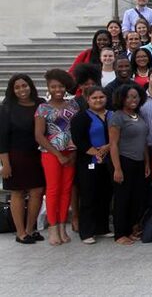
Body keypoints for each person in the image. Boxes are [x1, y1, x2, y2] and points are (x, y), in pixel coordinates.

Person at [34, 69, 80, 245]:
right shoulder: (43, 108)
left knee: (67, 190)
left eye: (60, 86)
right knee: (53, 190)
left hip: (71, 152)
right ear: (48, 88)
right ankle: (53, 229)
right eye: (53, 87)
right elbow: (39, 135)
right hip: (51, 153)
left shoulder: (73, 106)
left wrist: (74, 152)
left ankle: (62, 226)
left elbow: (76, 131)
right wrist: (57, 155)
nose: (57, 89)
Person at [0, 74, 46, 244]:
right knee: (17, 192)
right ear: (12, 90)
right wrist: (5, 165)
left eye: (24, 86)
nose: (22, 90)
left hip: (37, 155)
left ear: (31, 86)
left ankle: (30, 229)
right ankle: (20, 233)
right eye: (17, 87)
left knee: (37, 191)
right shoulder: (6, 108)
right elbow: (2, 139)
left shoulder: (41, 103)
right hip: (16, 156)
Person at [69, 86, 113, 244]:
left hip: (109, 161)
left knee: (105, 195)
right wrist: (96, 153)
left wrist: (107, 148)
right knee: (88, 197)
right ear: (87, 100)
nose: (98, 100)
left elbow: (116, 136)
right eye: (94, 98)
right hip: (89, 162)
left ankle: (102, 228)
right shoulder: (81, 117)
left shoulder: (112, 115)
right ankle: (87, 231)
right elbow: (78, 139)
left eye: (101, 97)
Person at [108, 84, 150, 245]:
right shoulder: (117, 117)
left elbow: (144, 141)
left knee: (136, 198)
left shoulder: (138, 115)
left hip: (139, 162)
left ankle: (130, 229)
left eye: (136, 96)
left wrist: (146, 162)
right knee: (122, 199)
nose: (133, 100)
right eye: (129, 97)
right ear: (122, 99)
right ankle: (120, 233)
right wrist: (117, 169)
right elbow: (113, 144)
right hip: (123, 161)